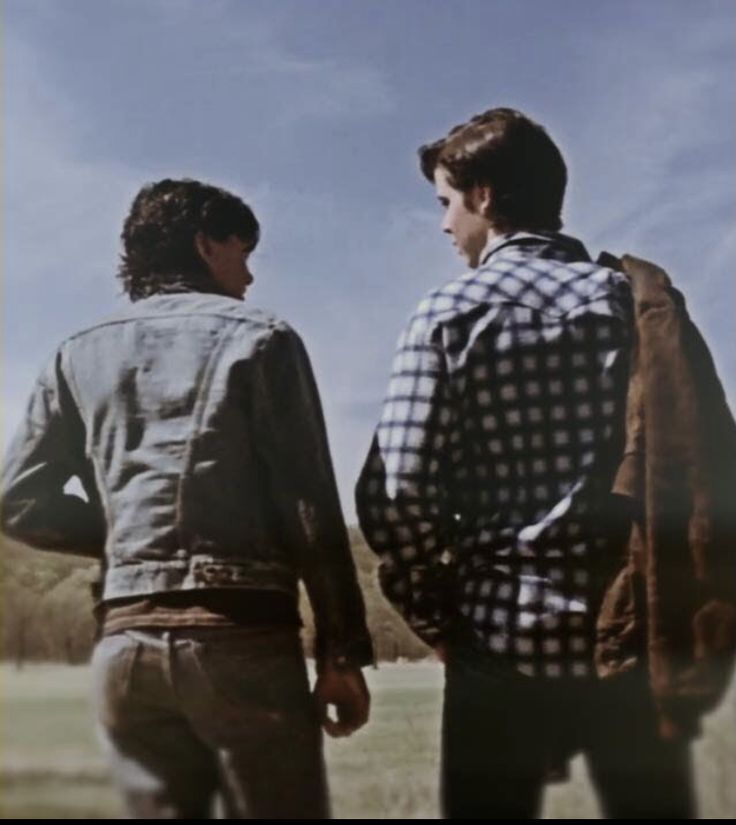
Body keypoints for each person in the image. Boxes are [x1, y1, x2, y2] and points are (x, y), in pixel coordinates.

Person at [355, 108, 725, 818]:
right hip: (626, 639)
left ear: (485, 197)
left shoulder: (446, 312)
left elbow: (399, 493)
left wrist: (442, 613)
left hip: (500, 643)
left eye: (446, 203)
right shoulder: (630, 302)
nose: (443, 226)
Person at [2, 178, 373, 819]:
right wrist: (340, 651)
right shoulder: (263, 337)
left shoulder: (73, 353)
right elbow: (309, 507)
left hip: (125, 649)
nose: (250, 275)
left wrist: (122, 536)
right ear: (204, 244)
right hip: (241, 638)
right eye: (242, 252)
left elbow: (17, 497)